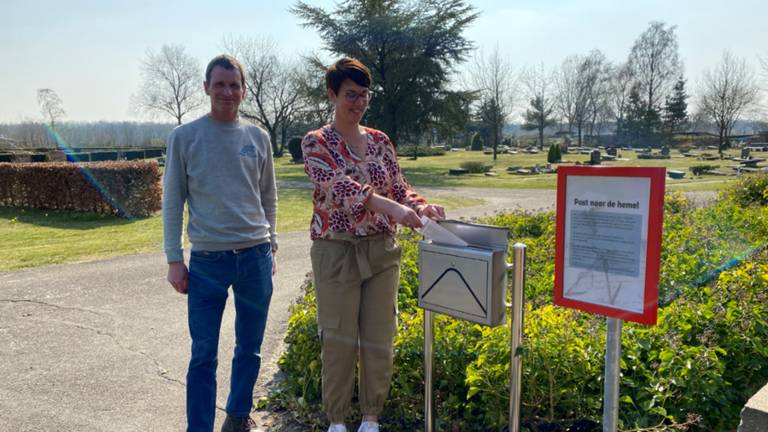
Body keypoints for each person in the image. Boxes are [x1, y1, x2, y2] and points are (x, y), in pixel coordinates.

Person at [301, 57, 445, 432]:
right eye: (350, 95)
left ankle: (370, 418)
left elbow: (399, 186)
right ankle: (336, 421)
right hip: (337, 250)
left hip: (381, 250)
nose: (359, 102)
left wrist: (419, 205)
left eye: (364, 95)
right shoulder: (316, 142)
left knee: (380, 336)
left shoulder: (380, 141)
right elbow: (338, 187)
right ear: (332, 95)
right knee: (338, 338)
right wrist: (389, 206)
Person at [163, 54, 277, 432]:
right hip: (208, 261)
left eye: (234, 85)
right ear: (206, 87)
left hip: (255, 256)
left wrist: (271, 246)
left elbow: (268, 198)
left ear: (244, 90)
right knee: (203, 354)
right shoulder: (184, 137)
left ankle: (238, 415)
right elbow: (173, 201)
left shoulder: (258, 137)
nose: (227, 92)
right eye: (220, 84)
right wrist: (174, 259)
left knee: (250, 347)